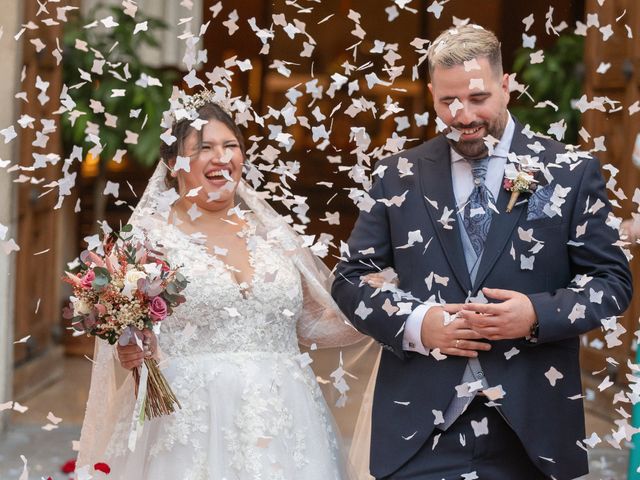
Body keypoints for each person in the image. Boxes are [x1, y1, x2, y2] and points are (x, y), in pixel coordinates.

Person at [332, 24, 633, 480]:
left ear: (507, 86)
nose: (462, 114)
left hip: (533, 432)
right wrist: (419, 325)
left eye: (477, 98)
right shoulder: (398, 174)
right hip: (420, 429)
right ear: (432, 93)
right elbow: (350, 278)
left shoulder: (569, 172)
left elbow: (612, 283)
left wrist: (535, 314)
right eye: (447, 101)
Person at [75, 90, 371, 479]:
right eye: (205, 148)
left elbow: (311, 323)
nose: (222, 158)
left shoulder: (273, 235)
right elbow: (129, 332)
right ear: (172, 162)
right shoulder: (148, 240)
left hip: (284, 416)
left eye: (231, 145)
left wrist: (382, 307)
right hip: (190, 420)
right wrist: (134, 348)